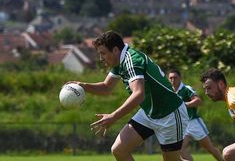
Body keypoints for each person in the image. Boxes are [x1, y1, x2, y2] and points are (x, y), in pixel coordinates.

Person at [70, 31, 188, 161]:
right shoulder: (119, 61)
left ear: (115, 50)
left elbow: (138, 94)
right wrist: (83, 86)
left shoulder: (131, 60)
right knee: (119, 150)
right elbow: (106, 87)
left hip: (170, 114)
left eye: (103, 53)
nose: (101, 58)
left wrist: (113, 116)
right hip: (149, 113)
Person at [167, 69, 223, 161]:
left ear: (180, 78)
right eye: (170, 78)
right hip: (182, 125)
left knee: (209, 148)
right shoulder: (170, 92)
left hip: (194, 123)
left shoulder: (186, 89)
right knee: (180, 150)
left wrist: (184, 105)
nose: (173, 80)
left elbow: (198, 101)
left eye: (175, 77)